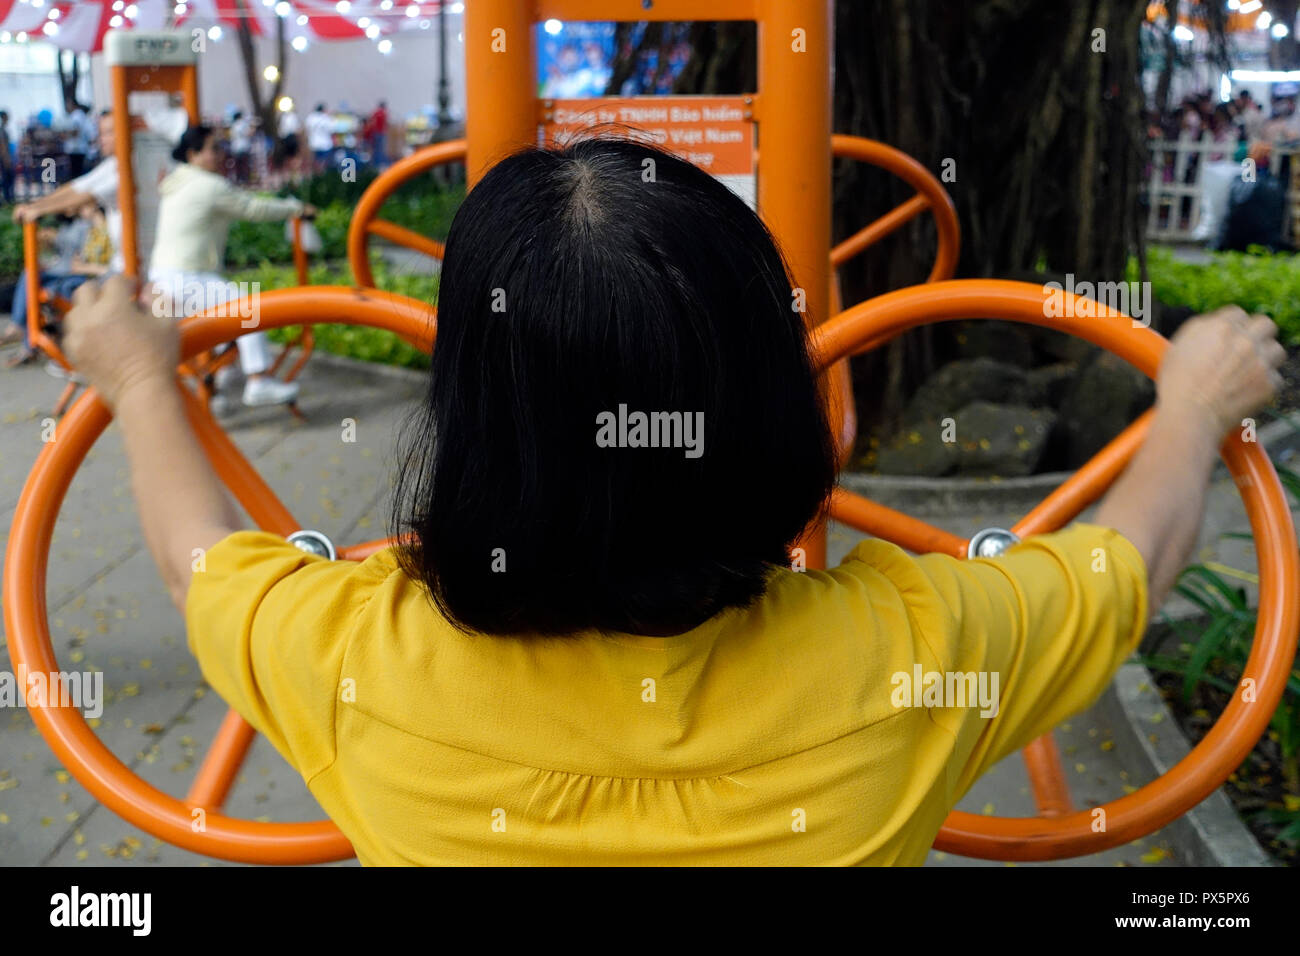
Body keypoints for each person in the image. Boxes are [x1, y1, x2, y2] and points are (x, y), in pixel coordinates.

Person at [60, 138, 1284, 865]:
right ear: (769, 407)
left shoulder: (356, 661)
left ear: (472, 425)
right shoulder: (911, 654)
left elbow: (193, 558)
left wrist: (134, 377)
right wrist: (1186, 409)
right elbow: (1136, 558)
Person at [147, 124, 316, 407]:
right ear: (193, 154)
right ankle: (258, 381)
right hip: (188, 279)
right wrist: (295, 207)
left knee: (223, 321)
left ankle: (217, 384)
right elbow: (253, 208)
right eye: (213, 148)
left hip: (165, 278)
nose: (220, 153)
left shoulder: (178, 181)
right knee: (248, 307)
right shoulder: (208, 185)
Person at [0, 203, 109, 363]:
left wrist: (55, 237)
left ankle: (23, 334)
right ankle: (29, 344)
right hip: (70, 273)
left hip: (79, 276)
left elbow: (88, 259)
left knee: (34, 278)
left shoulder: (94, 227)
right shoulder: (76, 225)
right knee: (32, 284)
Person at [305, 102, 334, 173]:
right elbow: (332, 130)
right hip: (325, 144)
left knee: (315, 161)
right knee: (324, 162)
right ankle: (322, 173)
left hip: (314, 144)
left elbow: (306, 129)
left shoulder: (310, 117)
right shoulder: (327, 118)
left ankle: (316, 173)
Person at [228, 110, 253, 184]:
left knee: (238, 166)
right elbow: (249, 133)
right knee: (245, 165)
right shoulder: (244, 124)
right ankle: (245, 179)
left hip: (235, 148)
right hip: (244, 147)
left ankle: (238, 179)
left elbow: (231, 136)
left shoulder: (233, 125)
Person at [363, 99, 387, 167]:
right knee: (379, 149)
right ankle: (378, 163)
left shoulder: (376, 113)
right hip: (380, 133)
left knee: (376, 149)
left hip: (376, 133)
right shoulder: (383, 113)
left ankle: (375, 163)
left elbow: (371, 121)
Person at [0, 110, 14, 204]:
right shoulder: (2, 130)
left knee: (7, 178)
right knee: (7, 178)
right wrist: (6, 158)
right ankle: (7, 198)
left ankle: (7, 198)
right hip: (4, 157)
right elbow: (2, 145)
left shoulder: (3, 129)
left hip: (5, 156)